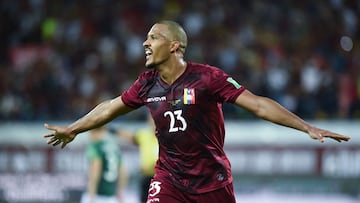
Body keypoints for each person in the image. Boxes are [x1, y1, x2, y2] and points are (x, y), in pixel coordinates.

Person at [43, 20, 350, 203]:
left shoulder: (207, 78)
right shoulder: (147, 83)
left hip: (212, 181)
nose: (144, 43)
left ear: (175, 46)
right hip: (169, 178)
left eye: (153, 37)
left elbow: (257, 104)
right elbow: (111, 108)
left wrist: (306, 126)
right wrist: (74, 128)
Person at [109, 114, 158, 203]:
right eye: (151, 120)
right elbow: (130, 136)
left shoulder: (166, 137)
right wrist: (112, 130)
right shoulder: (144, 135)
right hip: (146, 177)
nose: (153, 122)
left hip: (161, 177)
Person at [80, 126, 128, 203]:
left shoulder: (95, 146)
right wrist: (120, 191)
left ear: (92, 131)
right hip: (111, 196)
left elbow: (95, 169)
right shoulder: (114, 146)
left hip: (98, 195)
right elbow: (123, 171)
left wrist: (91, 194)